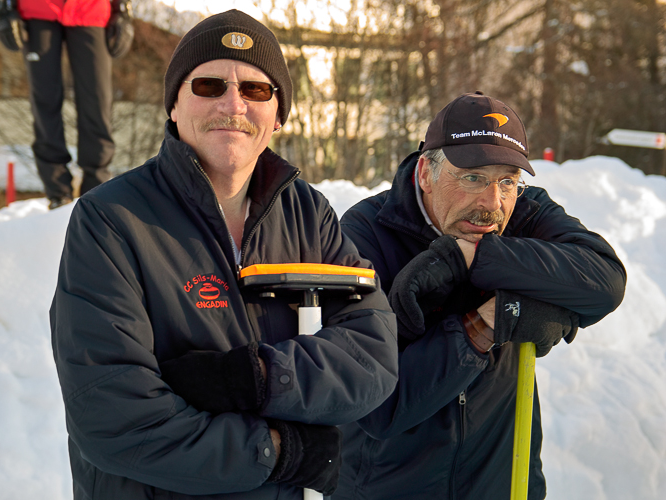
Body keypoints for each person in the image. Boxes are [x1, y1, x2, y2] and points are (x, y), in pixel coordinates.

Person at [50, 10, 398, 500]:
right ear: (174, 105)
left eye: (256, 90)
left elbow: (373, 354)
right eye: (209, 85)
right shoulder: (112, 221)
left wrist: (256, 379)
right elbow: (113, 416)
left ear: (278, 116)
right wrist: (277, 453)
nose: (232, 104)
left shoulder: (308, 214)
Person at [334, 92, 626, 500]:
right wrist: (489, 322)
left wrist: (473, 256)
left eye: (507, 180)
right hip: (388, 487)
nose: (493, 203)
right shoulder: (365, 235)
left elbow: (606, 282)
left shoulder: (523, 211)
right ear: (425, 173)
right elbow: (379, 404)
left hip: (503, 484)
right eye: (473, 177)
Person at [0, 0, 120, 209]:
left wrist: (122, 8)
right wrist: (4, 6)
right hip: (37, 9)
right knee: (45, 101)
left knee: (97, 101)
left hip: (90, 9)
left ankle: (97, 188)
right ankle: (58, 193)